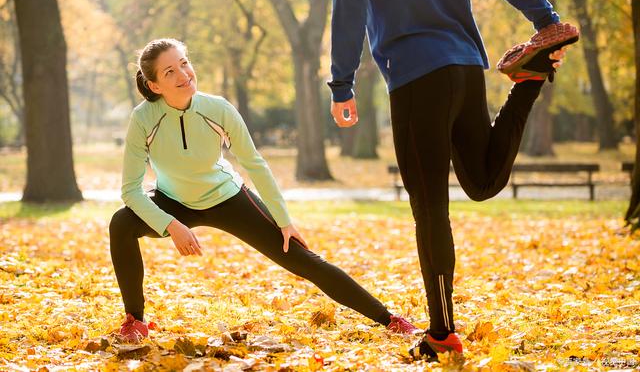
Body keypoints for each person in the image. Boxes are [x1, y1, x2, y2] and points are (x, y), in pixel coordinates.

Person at [327, 0, 578, 361]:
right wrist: (545, 20)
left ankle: (441, 333)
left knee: (429, 210)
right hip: (464, 65)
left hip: (414, 75)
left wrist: (341, 82)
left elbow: (349, 1)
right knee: (481, 181)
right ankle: (530, 77)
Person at [109, 38, 418, 343]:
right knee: (121, 223)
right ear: (154, 86)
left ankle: (388, 318)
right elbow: (130, 190)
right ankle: (135, 321)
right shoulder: (144, 119)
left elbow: (254, 164)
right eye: (169, 72)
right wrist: (170, 225)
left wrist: (284, 220)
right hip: (171, 202)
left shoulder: (218, 109)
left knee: (301, 258)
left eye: (184, 64)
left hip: (226, 197)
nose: (183, 75)